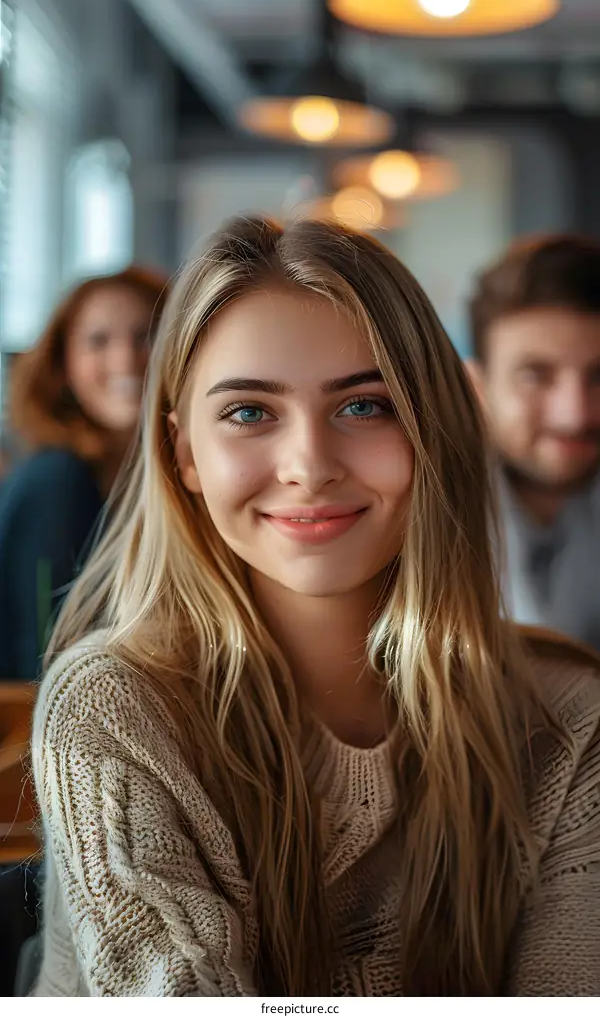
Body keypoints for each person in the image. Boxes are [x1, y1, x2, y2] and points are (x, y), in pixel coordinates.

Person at [31, 217, 600, 997]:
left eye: (364, 406)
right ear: (183, 454)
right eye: (249, 412)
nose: (308, 466)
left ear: (433, 426)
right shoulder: (113, 705)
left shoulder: (569, 718)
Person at [0, 266, 167, 680]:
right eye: (98, 340)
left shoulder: (159, 479)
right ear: (63, 366)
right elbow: (41, 659)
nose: (126, 358)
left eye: (145, 336)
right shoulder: (56, 482)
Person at [466, 234, 600, 650]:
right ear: (478, 387)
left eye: (599, 377)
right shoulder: (416, 522)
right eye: (536, 376)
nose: (574, 415)